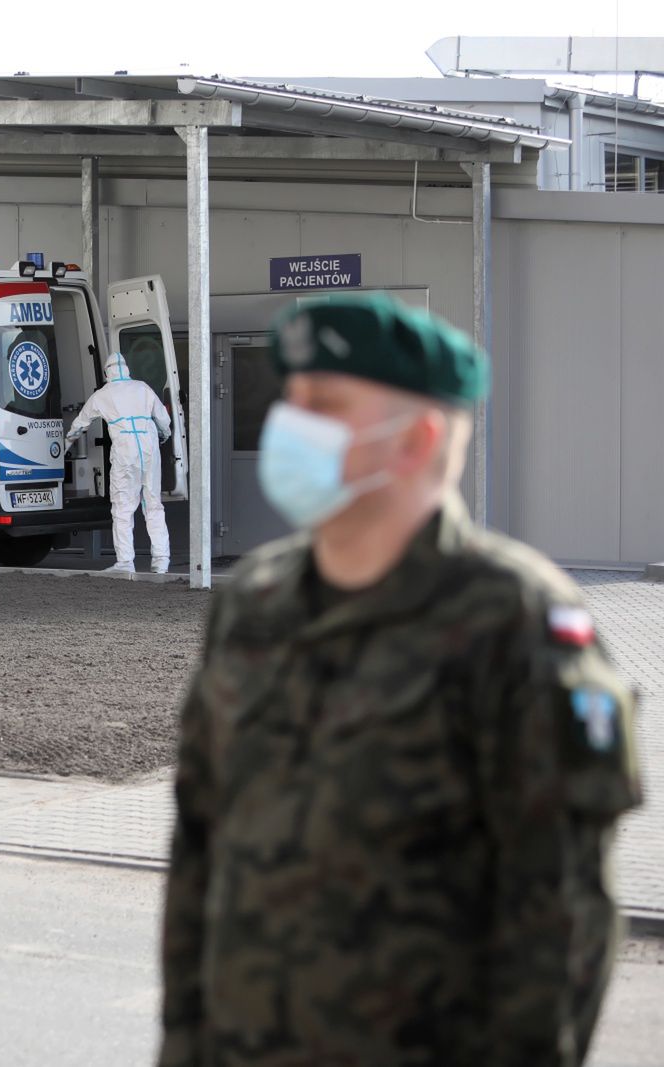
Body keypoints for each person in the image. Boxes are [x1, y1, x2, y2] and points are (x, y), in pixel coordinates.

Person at [159, 294, 641, 1067]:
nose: (291, 421)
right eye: (292, 398)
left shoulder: (513, 622)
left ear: (414, 439)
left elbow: (560, 926)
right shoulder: (254, 604)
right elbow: (199, 856)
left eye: (325, 405)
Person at [65, 352, 173, 573]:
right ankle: (161, 560)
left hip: (125, 451)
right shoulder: (143, 387)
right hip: (149, 447)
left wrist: (61, 448)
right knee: (153, 504)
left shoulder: (103, 395)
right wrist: (164, 435)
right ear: (126, 368)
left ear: (107, 373)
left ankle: (125, 562)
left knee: (123, 507)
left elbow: (79, 425)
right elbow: (163, 419)